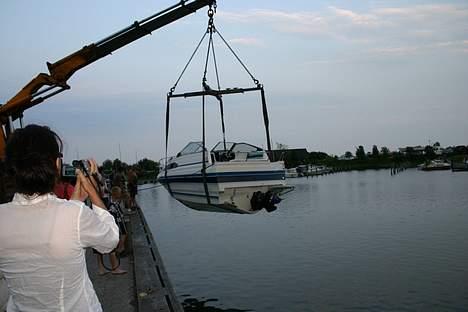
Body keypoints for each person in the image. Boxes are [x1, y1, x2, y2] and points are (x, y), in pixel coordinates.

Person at [0, 124, 119, 312]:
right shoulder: (74, 214)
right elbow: (110, 241)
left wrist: (75, 203)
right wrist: (92, 191)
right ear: (56, 164)